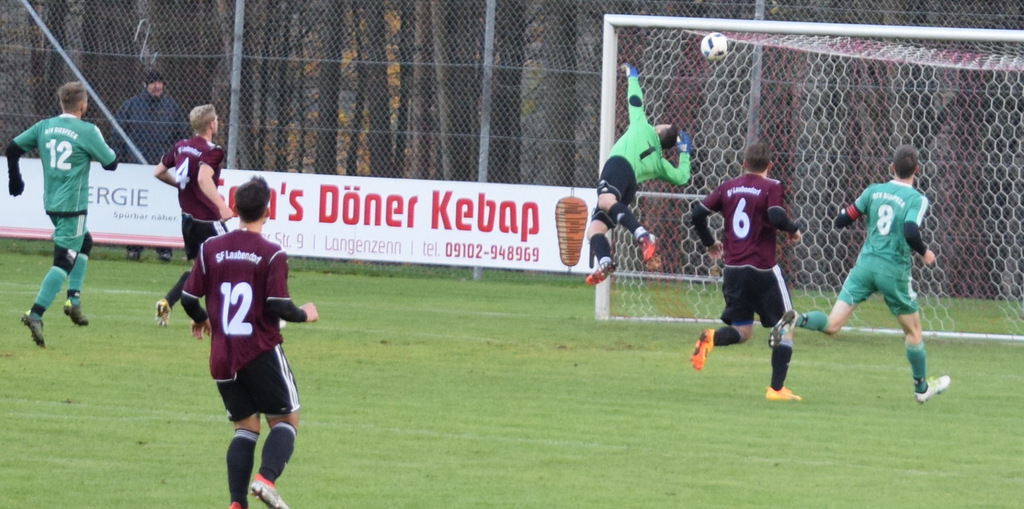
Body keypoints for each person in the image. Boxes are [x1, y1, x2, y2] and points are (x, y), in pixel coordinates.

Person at [179, 176, 318, 509]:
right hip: (258, 350)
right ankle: (266, 480)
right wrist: (305, 314)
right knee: (285, 421)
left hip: (222, 356)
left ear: (235, 208)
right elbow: (279, 305)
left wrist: (201, 317)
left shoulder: (210, 248)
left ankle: (236, 503)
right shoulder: (271, 253)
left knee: (245, 428)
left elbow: (187, 298)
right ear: (267, 211)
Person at [784, 145, 951, 403]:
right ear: (917, 170)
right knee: (914, 332)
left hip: (864, 267)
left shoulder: (873, 191)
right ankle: (921, 389)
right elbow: (910, 231)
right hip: (893, 271)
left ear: (891, 168)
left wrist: (851, 213)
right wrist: (925, 252)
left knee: (832, 325)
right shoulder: (916, 199)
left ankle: (799, 319)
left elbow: (842, 220)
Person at [5, 81, 119, 347]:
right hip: (73, 206)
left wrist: (15, 179)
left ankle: (73, 300)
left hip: (52, 203)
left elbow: (12, 149)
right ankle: (35, 313)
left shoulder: (44, 126)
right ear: (83, 105)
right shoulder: (87, 130)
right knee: (64, 260)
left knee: (84, 242)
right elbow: (111, 163)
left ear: (61, 103)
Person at [689, 141, 804, 400]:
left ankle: (711, 338)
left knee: (742, 331)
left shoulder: (727, 187)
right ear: (770, 165)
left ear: (743, 164)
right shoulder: (771, 186)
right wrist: (793, 229)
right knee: (787, 324)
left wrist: (709, 243)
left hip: (734, 270)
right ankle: (776, 389)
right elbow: (776, 216)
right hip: (763, 269)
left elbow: (697, 214)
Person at [585, 63, 692, 285]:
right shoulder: (660, 163)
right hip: (629, 187)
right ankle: (605, 261)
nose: (658, 124)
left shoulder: (642, 126)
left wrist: (632, 76)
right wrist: (685, 154)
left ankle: (642, 235)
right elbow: (682, 177)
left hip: (618, 166)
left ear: (660, 131)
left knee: (604, 200)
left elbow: (635, 100)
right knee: (595, 229)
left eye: (661, 124)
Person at [153, 104, 234, 327]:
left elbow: (158, 172)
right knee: (233, 261)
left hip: (187, 220)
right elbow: (203, 178)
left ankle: (167, 302)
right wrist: (222, 206)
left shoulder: (181, 146)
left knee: (200, 270)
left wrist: (180, 186)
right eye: (216, 120)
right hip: (208, 220)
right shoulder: (213, 150)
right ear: (211, 125)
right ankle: (243, 315)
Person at [115, 69, 187, 262]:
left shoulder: (171, 107)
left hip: (162, 167)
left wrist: (175, 159)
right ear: (145, 85)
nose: (157, 86)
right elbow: (119, 133)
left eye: (160, 82)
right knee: (135, 209)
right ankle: (134, 247)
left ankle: (164, 249)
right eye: (153, 83)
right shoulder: (131, 106)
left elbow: (180, 136)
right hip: (135, 167)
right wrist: (120, 157)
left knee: (162, 207)